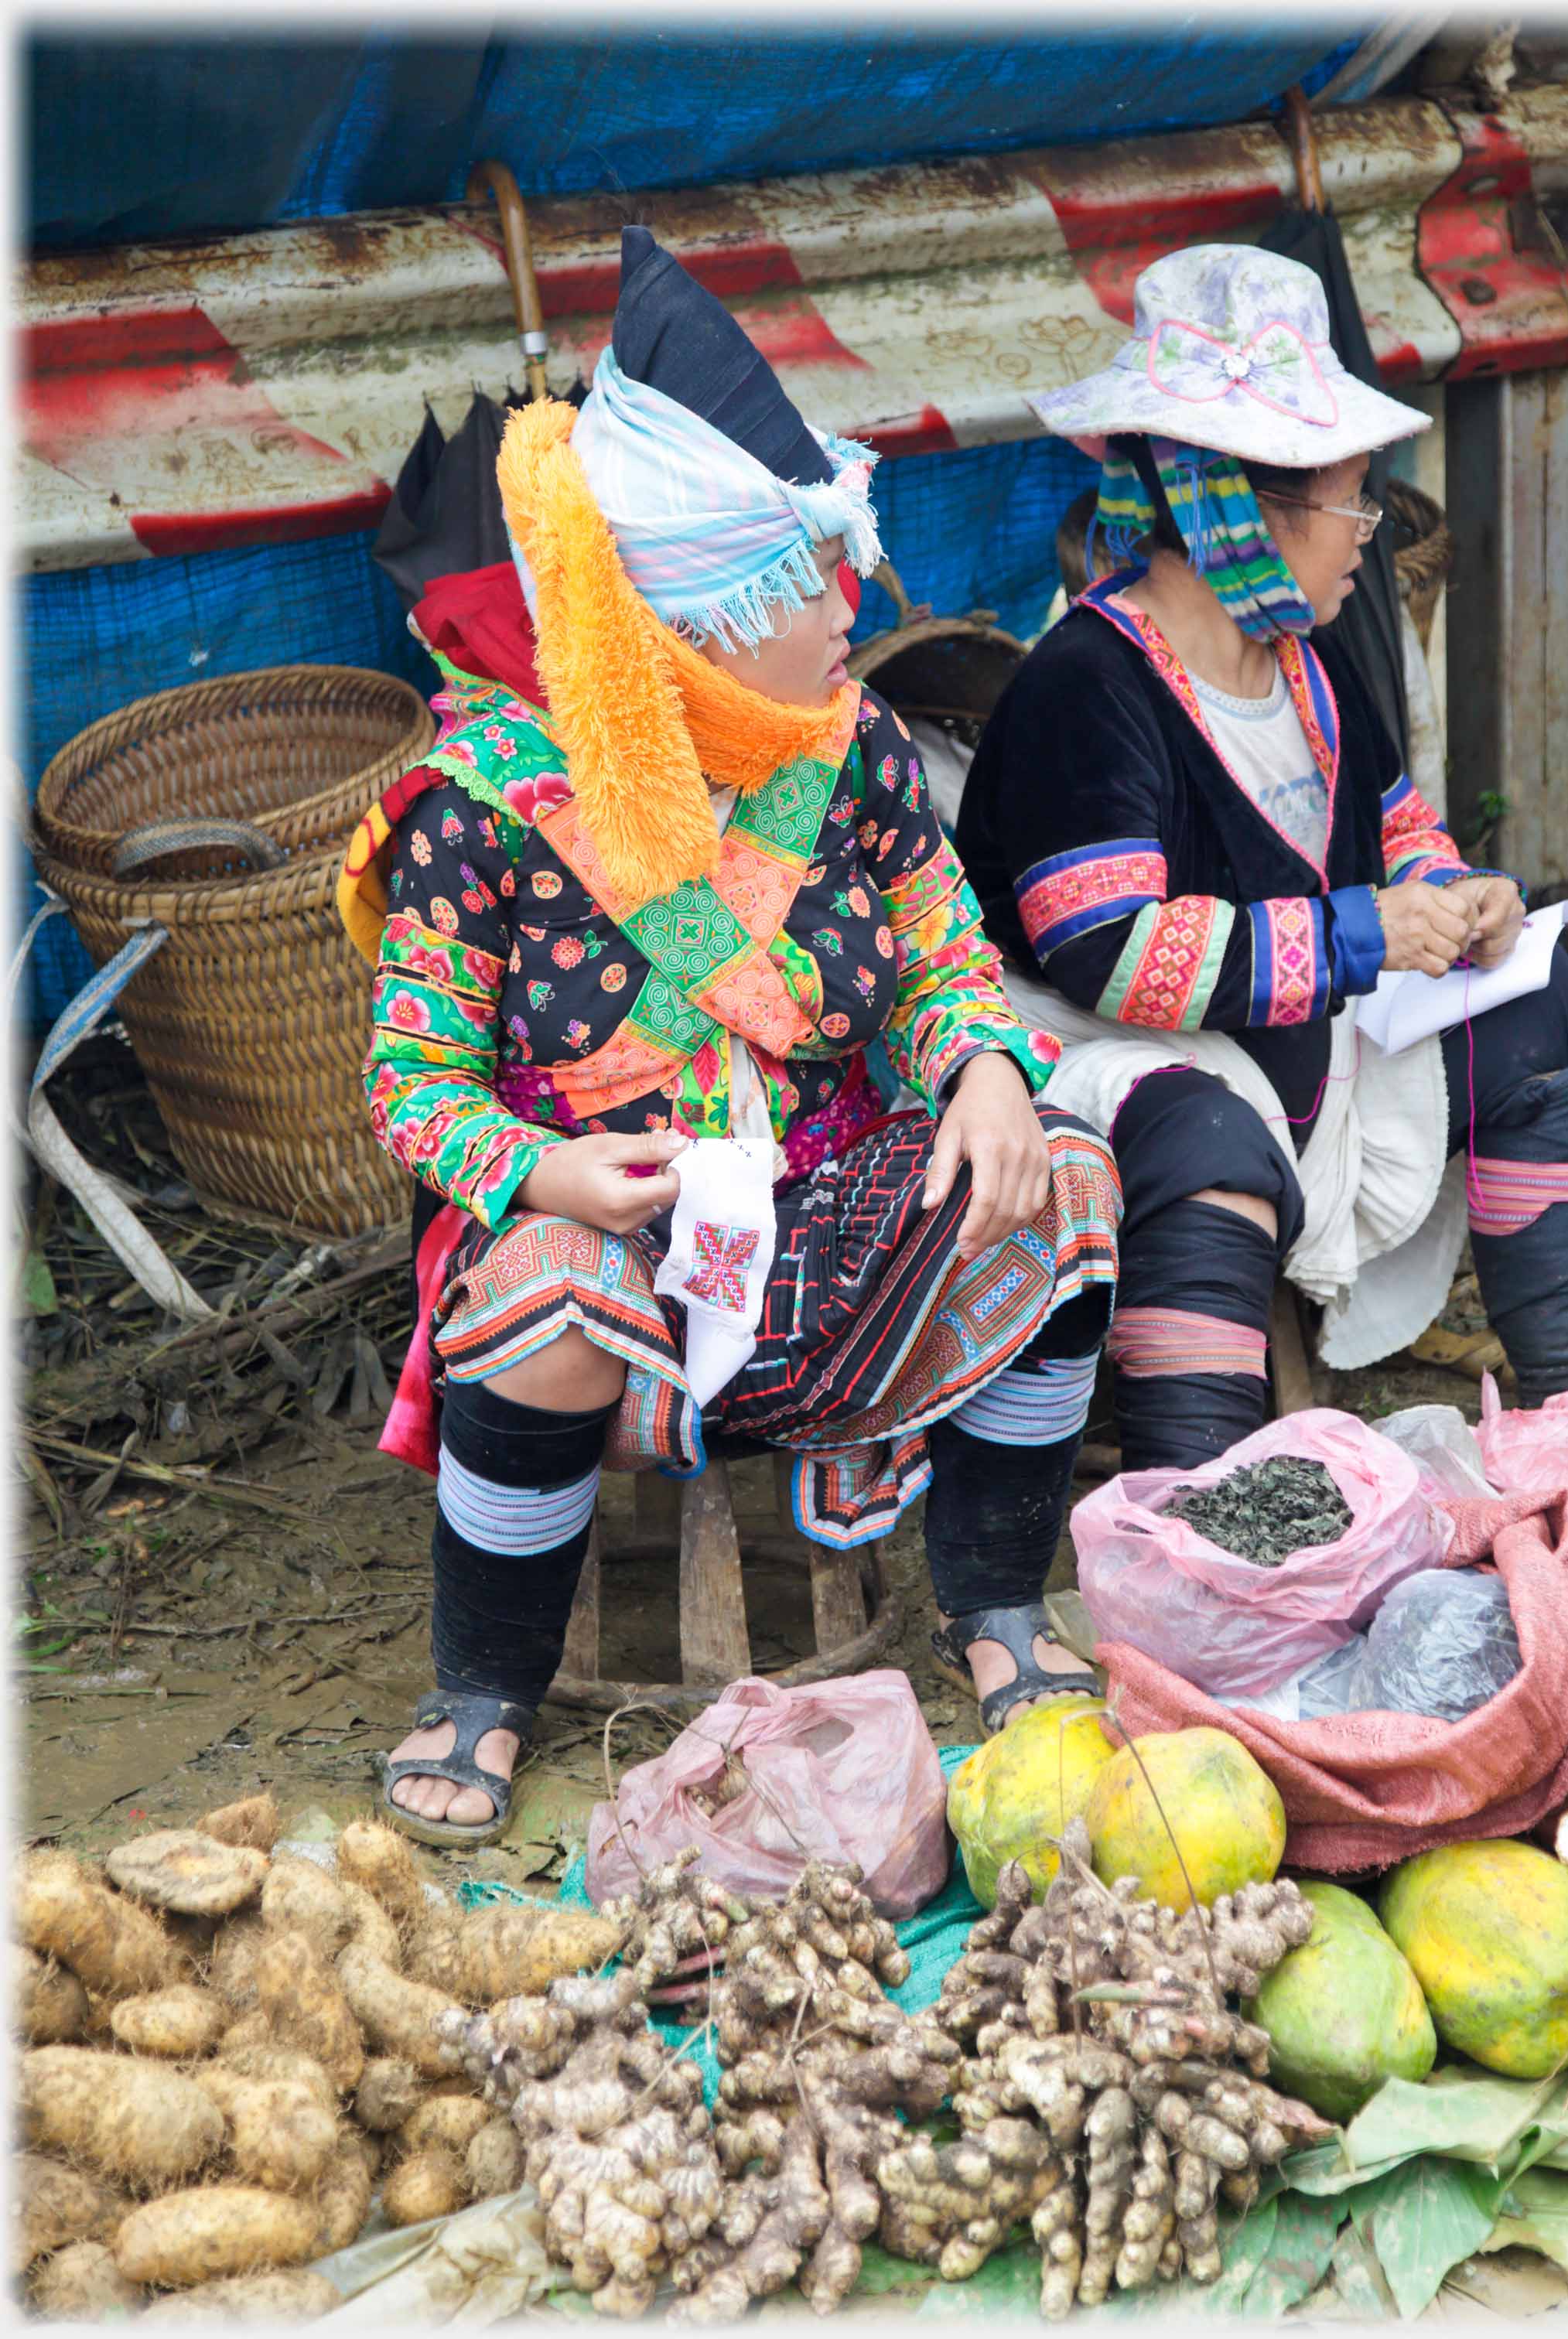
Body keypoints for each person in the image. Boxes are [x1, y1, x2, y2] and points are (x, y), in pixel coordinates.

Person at [338, 231, 1120, 1839]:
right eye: (810, 583)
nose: (857, 607)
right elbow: (410, 1091)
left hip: (832, 1213)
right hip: (615, 1237)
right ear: (690, 630)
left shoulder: (861, 747)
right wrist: (553, 1175)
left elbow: (941, 956)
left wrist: (981, 1071)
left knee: (1071, 1181)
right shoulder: (478, 809)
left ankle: (995, 1607)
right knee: (543, 1299)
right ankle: (479, 1685)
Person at [956, 242, 1568, 1475]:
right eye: (1350, 504)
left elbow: (1394, 823)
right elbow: (1106, 954)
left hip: (1294, 1019)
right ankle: (1195, 1491)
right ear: (1243, 509)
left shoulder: (1307, 665)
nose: (1366, 536)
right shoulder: (1084, 687)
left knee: (1536, 1009)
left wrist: (1446, 893)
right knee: (1204, 1136)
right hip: (1102, 1046)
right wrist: (1364, 934)